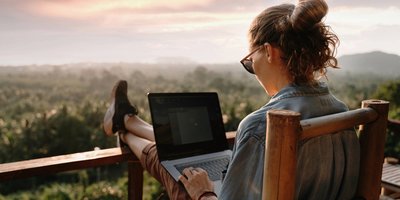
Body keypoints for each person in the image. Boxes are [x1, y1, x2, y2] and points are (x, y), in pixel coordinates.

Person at [103, 0, 360, 199]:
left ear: (268, 52)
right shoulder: (342, 113)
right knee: (180, 154)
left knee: (168, 161)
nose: (252, 69)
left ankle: (124, 130)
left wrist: (204, 191)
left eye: (250, 61)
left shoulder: (262, 126)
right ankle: (128, 121)